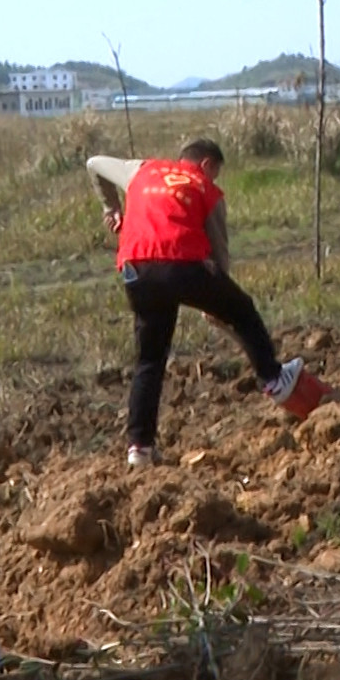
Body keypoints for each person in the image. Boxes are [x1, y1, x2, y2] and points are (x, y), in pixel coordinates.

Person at [87, 140, 303, 468]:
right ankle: (274, 378)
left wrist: (111, 208)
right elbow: (219, 253)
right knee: (243, 310)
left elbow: (94, 163)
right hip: (181, 265)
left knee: (150, 360)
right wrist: (217, 302)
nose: (215, 179)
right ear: (205, 165)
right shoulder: (206, 189)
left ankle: (140, 447)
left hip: (137, 269)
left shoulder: (140, 169)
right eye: (215, 172)